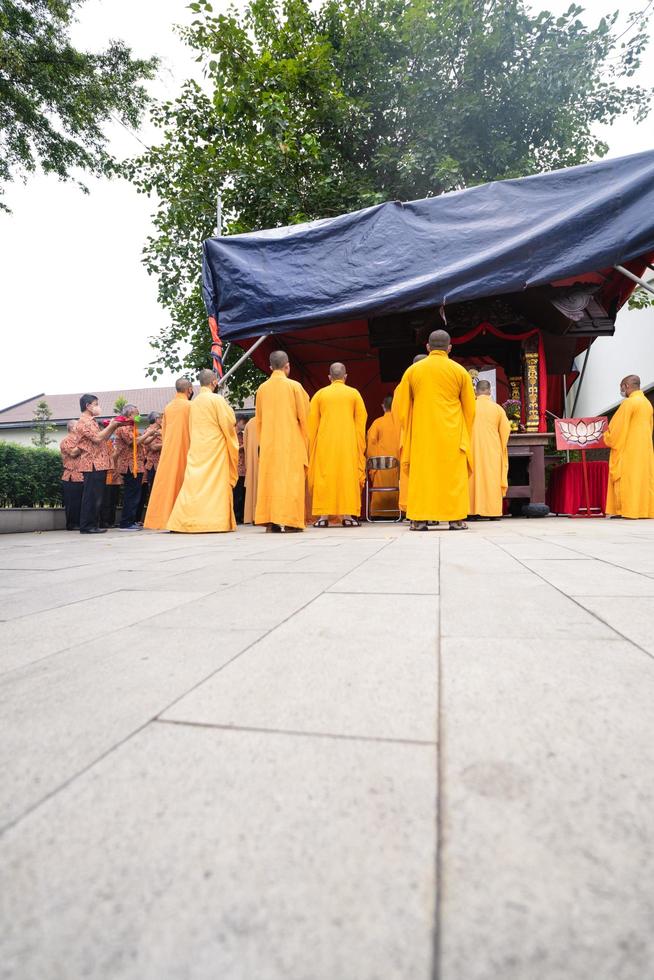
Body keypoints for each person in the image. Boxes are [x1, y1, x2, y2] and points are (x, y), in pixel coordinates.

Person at [393, 329, 476, 531]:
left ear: (428, 347)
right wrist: (463, 431)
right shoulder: (459, 371)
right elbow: (470, 409)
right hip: (452, 434)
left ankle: (420, 520)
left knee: (424, 476)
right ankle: (455, 519)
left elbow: (400, 408)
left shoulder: (413, 371)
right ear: (449, 348)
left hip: (423, 434)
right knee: (452, 478)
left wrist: (410, 427)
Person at [167, 369, 239, 533]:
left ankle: (184, 522)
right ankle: (214, 522)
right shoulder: (217, 399)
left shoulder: (195, 402)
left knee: (193, 485)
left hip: (198, 448)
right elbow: (229, 422)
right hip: (215, 449)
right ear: (214, 382)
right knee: (216, 486)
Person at [255, 350, 310, 532]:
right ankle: (291, 521)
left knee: (270, 481)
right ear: (287, 366)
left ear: (270, 367)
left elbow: (259, 420)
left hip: (269, 443)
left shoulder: (262, 389)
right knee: (290, 481)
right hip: (290, 443)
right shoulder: (294, 386)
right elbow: (305, 417)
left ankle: (271, 521)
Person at [308, 362, 367, 527]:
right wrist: (359, 444)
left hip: (325, 444)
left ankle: (323, 518)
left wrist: (312, 445)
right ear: (345, 377)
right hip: (348, 444)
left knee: (324, 477)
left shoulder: (320, 395)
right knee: (347, 477)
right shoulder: (354, 394)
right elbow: (361, 421)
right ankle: (347, 516)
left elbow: (312, 425)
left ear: (329, 377)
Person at [76, 394, 130, 534]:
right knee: (91, 496)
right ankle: (87, 526)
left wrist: (113, 426)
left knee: (97, 497)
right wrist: (112, 425)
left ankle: (93, 524)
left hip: (99, 463)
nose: (97, 407)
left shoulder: (92, 422)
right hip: (91, 463)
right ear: (88, 406)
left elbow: (104, 437)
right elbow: (97, 438)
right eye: (95, 404)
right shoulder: (83, 422)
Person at [144, 378, 193, 530]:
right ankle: (182, 518)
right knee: (184, 483)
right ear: (189, 389)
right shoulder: (191, 406)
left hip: (168, 451)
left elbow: (164, 431)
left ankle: (161, 519)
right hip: (186, 448)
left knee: (167, 483)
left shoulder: (168, 407)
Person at [604, 374, 654, 519]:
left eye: (621, 387)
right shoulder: (646, 403)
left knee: (627, 481)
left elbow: (616, 430)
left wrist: (607, 437)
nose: (621, 391)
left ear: (626, 386)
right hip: (644, 450)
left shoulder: (629, 403)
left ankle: (627, 510)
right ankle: (643, 511)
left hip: (628, 451)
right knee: (642, 481)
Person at [468, 380, 510, 519]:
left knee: (471, 479)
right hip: (492, 449)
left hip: (471, 448)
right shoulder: (497, 408)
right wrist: (501, 446)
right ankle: (492, 512)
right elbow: (505, 430)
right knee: (491, 479)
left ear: (476, 391)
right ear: (489, 391)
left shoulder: (469, 406)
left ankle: (471, 512)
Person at [113, 404, 149, 530]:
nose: (138, 416)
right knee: (131, 495)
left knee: (135, 495)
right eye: (136, 413)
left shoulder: (132, 427)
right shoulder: (124, 428)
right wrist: (148, 433)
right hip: (129, 466)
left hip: (136, 465)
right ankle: (126, 522)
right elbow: (133, 442)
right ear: (129, 415)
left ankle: (131, 521)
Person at [366, 394, 401, 517]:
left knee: (379, 488)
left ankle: (378, 512)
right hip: (398, 467)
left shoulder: (377, 423)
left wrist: (373, 468)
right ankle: (400, 511)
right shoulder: (401, 424)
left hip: (380, 467)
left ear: (383, 406)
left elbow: (370, 445)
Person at [60, 420, 83, 530]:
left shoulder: (79, 440)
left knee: (82, 502)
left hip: (83, 475)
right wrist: (84, 444)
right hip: (71, 477)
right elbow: (73, 453)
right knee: (73, 502)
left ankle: (80, 523)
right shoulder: (66, 441)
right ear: (72, 428)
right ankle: (72, 524)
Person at [242, 415, 259, 524]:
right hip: (264, 459)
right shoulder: (268, 419)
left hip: (252, 460)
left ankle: (252, 515)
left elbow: (246, 445)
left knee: (253, 486)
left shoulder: (250, 424)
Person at [233, 415, 247, 524]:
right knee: (236, 494)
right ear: (237, 422)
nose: (244, 424)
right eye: (243, 422)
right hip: (235, 468)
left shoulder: (243, 435)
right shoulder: (232, 434)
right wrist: (244, 446)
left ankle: (241, 515)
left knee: (242, 493)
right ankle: (235, 516)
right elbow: (233, 447)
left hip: (243, 468)